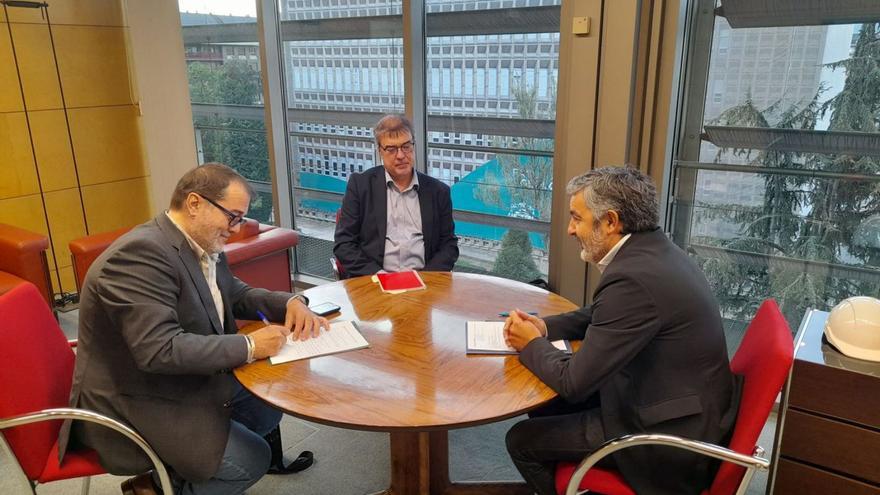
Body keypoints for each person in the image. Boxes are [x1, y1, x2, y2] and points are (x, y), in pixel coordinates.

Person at [59, 163, 330, 495]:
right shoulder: (139, 256)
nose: (236, 227)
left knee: (269, 400)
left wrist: (290, 302)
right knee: (252, 459)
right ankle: (156, 489)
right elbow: (159, 351)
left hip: (182, 378)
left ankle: (175, 477)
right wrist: (249, 346)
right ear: (194, 203)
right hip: (138, 397)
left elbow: (236, 293)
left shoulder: (201, 244)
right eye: (233, 216)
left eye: (240, 219)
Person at [503, 166, 740, 495]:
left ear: (611, 221)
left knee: (520, 440)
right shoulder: (656, 252)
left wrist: (530, 343)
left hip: (668, 439)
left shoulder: (633, 278)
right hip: (681, 403)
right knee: (543, 404)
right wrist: (544, 326)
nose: (570, 230)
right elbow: (603, 314)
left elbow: (575, 384)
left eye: (576, 218)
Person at [333, 114, 459, 277]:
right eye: (391, 149)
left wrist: (425, 279)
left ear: (413, 146)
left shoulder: (438, 191)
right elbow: (344, 245)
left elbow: (449, 246)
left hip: (424, 283)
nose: (400, 155)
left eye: (406, 146)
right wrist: (380, 276)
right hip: (375, 283)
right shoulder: (360, 185)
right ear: (380, 151)